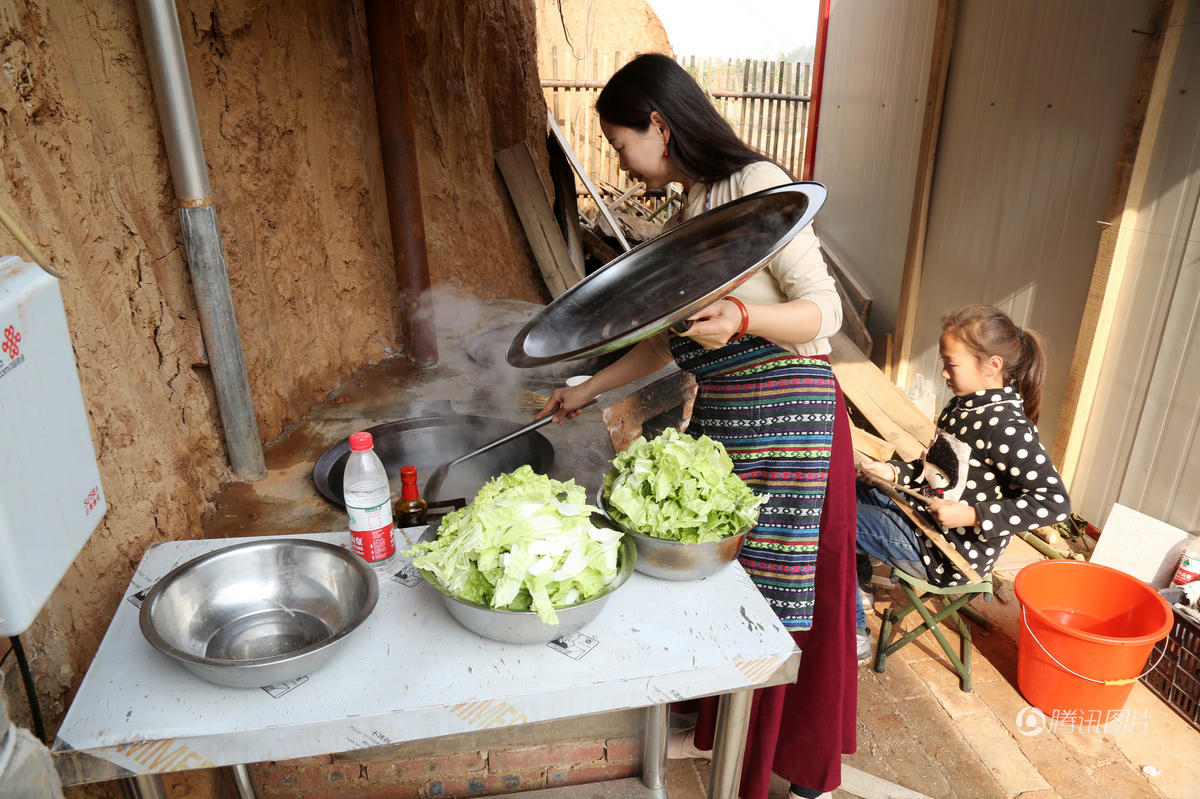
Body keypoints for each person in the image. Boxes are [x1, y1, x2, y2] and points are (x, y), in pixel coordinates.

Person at [538, 53, 856, 799]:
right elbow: (665, 338)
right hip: (728, 423)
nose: (622, 159)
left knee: (777, 606)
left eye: (621, 143)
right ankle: (726, 737)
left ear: (659, 123)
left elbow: (826, 313)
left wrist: (746, 315)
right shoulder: (693, 208)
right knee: (728, 590)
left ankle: (786, 769)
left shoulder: (755, 187)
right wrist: (585, 389)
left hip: (791, 424)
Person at [855, 305, 1072, 606]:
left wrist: (970, 515)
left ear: (992, 365)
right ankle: (859, 585)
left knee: (834, 518)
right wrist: (892, 472)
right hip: (919, 520)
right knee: (842, 489)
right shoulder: (961, 406)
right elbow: (938, 470)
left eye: (951, 364)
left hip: (945, 553)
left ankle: (852, 629)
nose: (943, 372)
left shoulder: (1007, 427)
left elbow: (1054, 503)